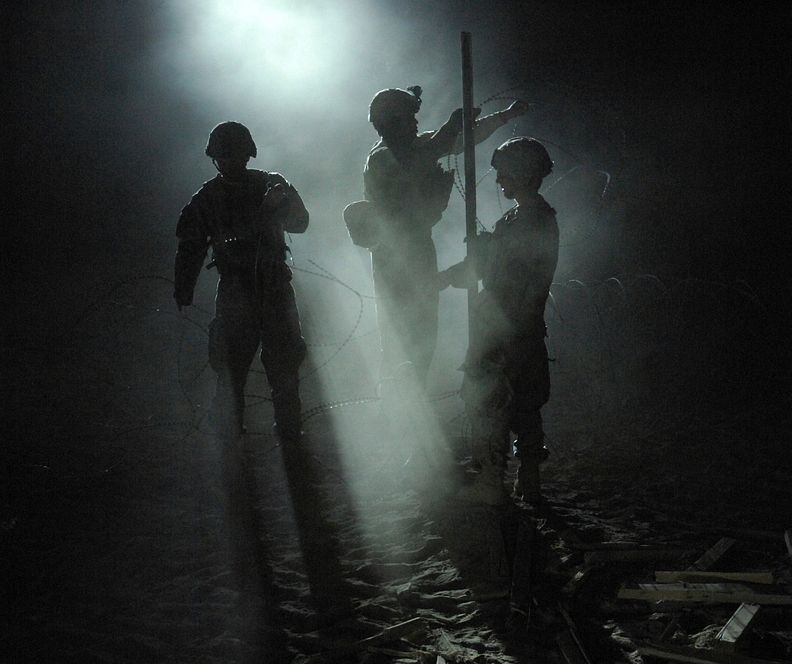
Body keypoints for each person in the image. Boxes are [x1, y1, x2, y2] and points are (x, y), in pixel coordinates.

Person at [174, 122, 346, 614]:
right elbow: (190, 242)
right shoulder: (208, 196)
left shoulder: (272, 182)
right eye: (222, 156)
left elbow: (303, 224)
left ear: (246, 154)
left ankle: (287, 435)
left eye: (233, 155)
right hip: (236, 291)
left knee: (284, 367)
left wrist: (281, 204)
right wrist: (184, 284)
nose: (228, 162)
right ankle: (233, 440)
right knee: (229, 369)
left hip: (272, 287)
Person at [359, 85, 529, 387]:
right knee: (401, 337)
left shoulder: (417, 146)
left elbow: (463, 139)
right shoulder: (382, 158)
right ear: (391, 123)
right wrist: (450, 128)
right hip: (394, 256)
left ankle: (411, 404)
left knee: (424, 334)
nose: (415, 124)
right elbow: (419, 159)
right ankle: (398, 411)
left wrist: (505, 116)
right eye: (409, 118)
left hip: (418, 247)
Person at [438, 137, 558, 504]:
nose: (499, 180)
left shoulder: (533, 220)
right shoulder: (522, 218)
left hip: (508, 328)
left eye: (505, 173)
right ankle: (526, 479)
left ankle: (495, 480)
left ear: (522, 174)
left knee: (494, 403)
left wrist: (483, 256)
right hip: (514, 327)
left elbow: (511, 275)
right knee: (522, 406)